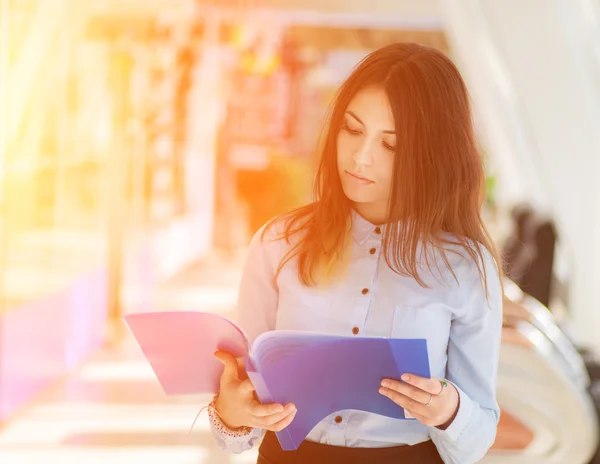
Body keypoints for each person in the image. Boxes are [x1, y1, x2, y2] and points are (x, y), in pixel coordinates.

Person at [208, 42, 504, 464]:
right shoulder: (278, 243)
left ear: (432, 155)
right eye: (352, 129)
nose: (360, 158)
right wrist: (232, 414)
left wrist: (448, 410)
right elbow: (239, 427)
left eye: (392, 145)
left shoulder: (463, 268)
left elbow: (476, 441)